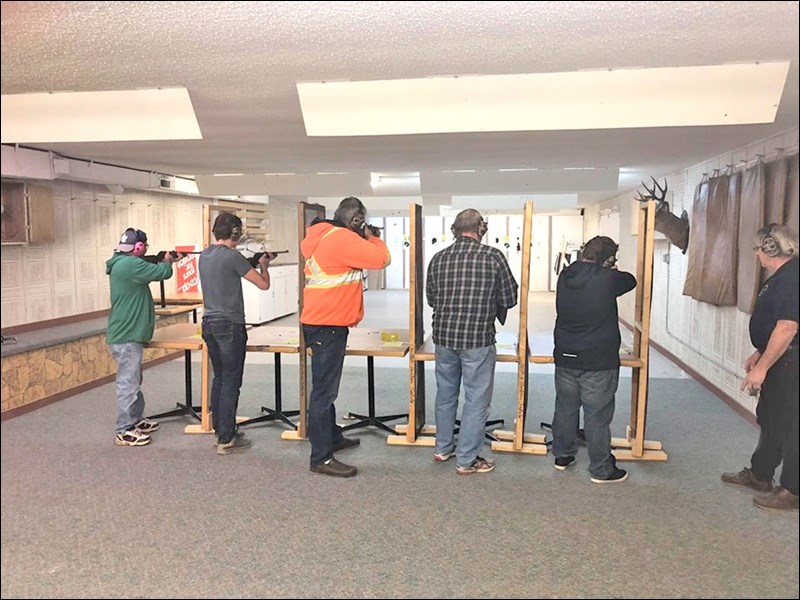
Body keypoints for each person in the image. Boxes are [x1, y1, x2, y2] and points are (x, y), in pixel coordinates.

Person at [301, 197, 391, 478]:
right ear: (355, 219)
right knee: (323, 393)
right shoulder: (340, 239)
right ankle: (321, 457)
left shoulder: (322, 235)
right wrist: (373, 237)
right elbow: (382, 259)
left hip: (322, 322)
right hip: (327, 326)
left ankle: (332, 438)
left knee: (325, 388)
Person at [426, 209, 518, 475]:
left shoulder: (438, 258)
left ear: (455, 229)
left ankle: (443, 448)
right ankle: (467, 460)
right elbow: (510, 298)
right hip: (477, 338)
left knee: (445, 394)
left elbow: (431, 299)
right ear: (481, 228)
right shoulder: (493, 256)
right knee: (476, 399)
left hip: (443, 337)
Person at [722, 223, 798, 511]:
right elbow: (777, 324)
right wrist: (760, 351)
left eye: (757, 249)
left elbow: (788, 327)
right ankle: (760, 474)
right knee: (771, 418)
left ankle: (792, 489)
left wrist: (762, 367)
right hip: (781, 357)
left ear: (770, 247)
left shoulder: (793, 278)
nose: (756, 255)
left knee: (792, 425)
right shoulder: (781, 277)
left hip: (792, 363)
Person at [551, 235, 636, 483]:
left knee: (565, 408)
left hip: (566, 353)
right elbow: (631, 281)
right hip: (598, 358)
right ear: (608, 259)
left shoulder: (566, 275)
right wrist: (609, 269)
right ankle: (601, 469)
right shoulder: (609, 278)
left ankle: (563, 456)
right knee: (597, 415)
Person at [198, 212, 271, 455]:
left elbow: (227, 270)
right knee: (231, 381)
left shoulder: (205, 255)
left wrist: (247, 262)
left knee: (220, 379)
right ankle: (227, 438)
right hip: (230, 324)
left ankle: (221, 430)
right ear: (235, 233)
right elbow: (263, 284)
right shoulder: (233, 257)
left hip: (208, 323)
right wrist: (263, 265)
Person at [106, 227, 175, 446]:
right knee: (128, 382)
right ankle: (124, 429)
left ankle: (134, 420)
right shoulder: (131, 264)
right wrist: (167, 261)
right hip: (126, 335)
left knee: (133, 379)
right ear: (138, 247)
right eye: (144, 246)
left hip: (126, 333)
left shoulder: (122, 263)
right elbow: (163, 273)